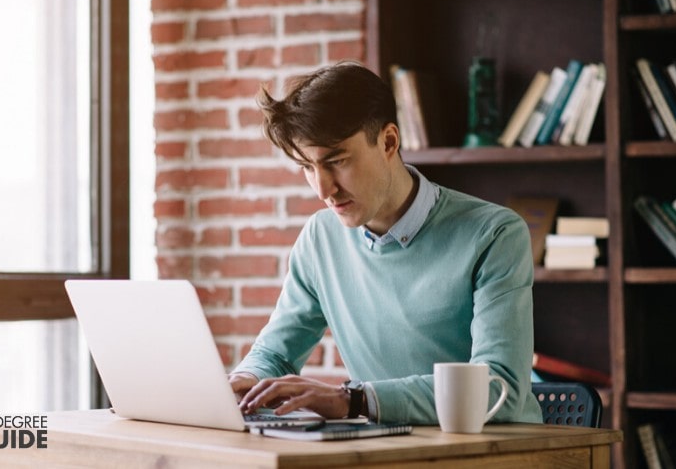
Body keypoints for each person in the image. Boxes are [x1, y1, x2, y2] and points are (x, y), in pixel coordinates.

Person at [228, 61, 542, 425]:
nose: (323, 189)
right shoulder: (320, 238)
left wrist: (354, 400)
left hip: (499, 455)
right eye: (307, 167)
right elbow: (275, 355)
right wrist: (245, 381)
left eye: (337, 161)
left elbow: (497, 389)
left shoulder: (495, 234)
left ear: (389, 141)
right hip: (387, 451)